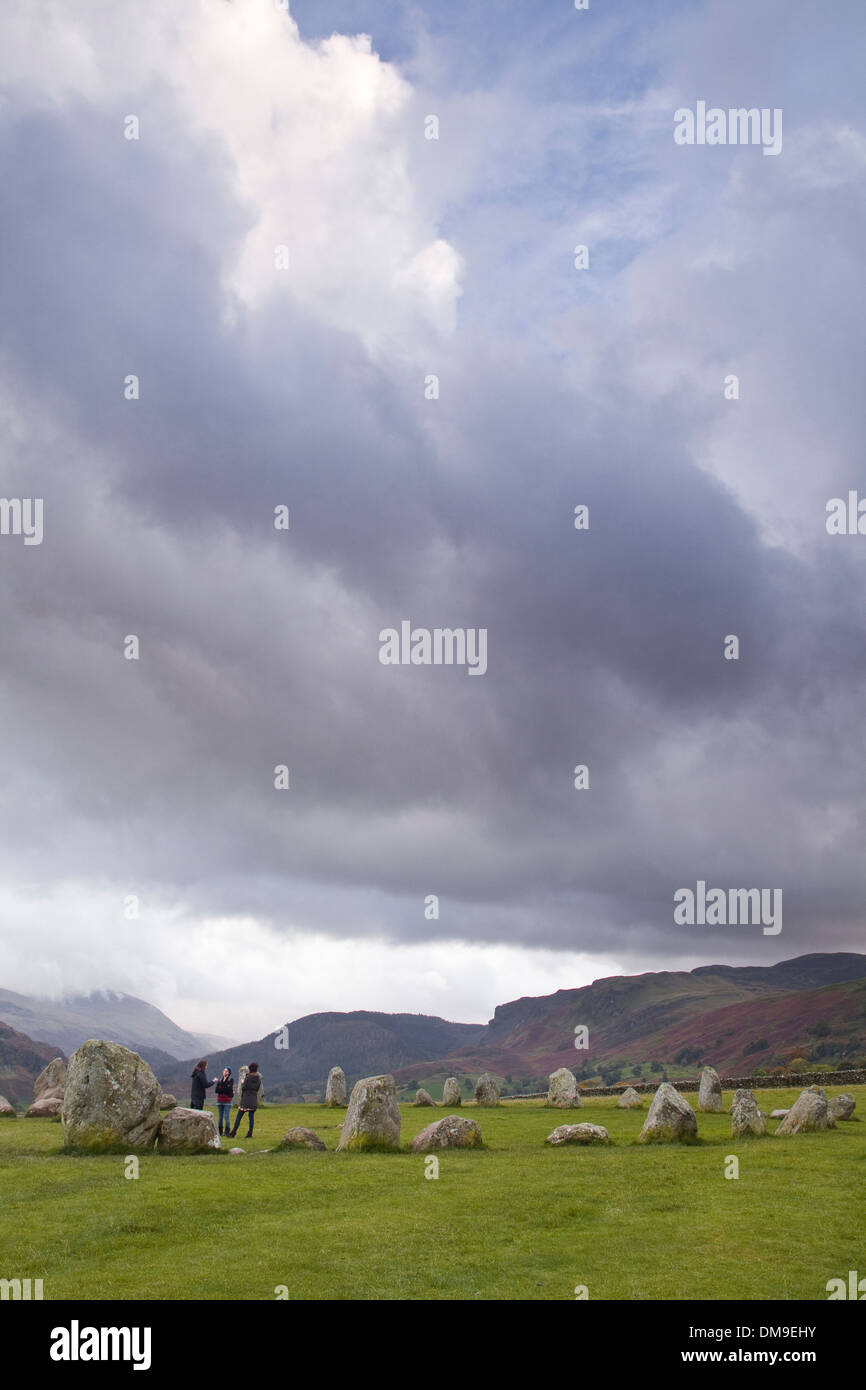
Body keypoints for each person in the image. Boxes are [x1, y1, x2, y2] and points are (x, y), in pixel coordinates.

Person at [229, 1062, 262, 1138]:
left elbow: (243, 1088)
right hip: (253, 1100)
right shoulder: (258, 1079)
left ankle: (233, 1132)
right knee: (251, 1118)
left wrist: (243, 1083)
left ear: (250, 1069)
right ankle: (250, 1134)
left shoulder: (247, 1078)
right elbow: (257, 1089)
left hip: (246, 1100)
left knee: (239, 1117)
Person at [215, 1067, 234, 1135]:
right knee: (220, 1117)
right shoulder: (220, 1080)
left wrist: (221, 1089)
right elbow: (216, 1090)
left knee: (226, 1116)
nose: (224, 1072)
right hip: (220, 1100)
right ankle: (220, 1131)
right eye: (224, 1071)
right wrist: (223, 1088)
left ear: (229, 1073)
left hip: (227, 1101)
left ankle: (227, 1131)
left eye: (226, 1071)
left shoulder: (231, 1080)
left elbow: (228, 1089)